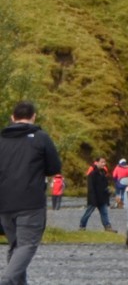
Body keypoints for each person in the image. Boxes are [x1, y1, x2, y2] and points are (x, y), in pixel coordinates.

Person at [0, 100, 61, 284]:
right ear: (33, 117)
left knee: (16, 246)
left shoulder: (1, 139)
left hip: (4, 204)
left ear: (13, 117)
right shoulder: (41, 138)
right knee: (26, 246)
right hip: (30, 203)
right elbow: (54, 168)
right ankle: (6, 280)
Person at [78, 159, 111, 231]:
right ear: (97, 163)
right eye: (102, 162)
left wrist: (107, 193)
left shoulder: (103, 173)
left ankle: (107, 227)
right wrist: (92, 198)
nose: (103, 164)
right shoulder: (92, 173)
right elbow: (90, 187)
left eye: (104, 162)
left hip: (102, 197)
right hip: (94, 197)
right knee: (88, 212)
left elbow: (105, 185)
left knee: (104, 213)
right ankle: (82, 225)